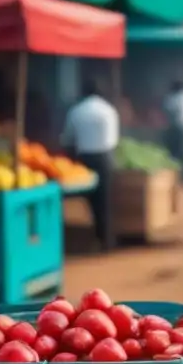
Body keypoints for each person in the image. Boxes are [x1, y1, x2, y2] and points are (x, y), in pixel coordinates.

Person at [60, 80, 119, 251]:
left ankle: (79, 237)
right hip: (105, 157)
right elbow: (113, 139)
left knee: (84, 199)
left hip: (84, 158)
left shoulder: (76, 110)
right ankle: (106, 240)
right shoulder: (109, 110)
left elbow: (68, 138)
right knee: (104, 200)